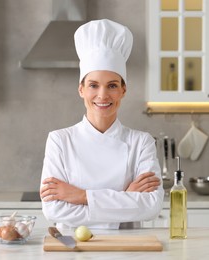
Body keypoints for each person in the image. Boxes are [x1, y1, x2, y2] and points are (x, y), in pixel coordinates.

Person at [39, 19, 164, 230]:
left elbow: (151, 207)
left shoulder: (141, 142)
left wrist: (80, 196)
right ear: (81, 90)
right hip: (74, 249)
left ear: (123, 90)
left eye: (112, 85)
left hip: (127, 250)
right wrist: (126, 199)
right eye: (93, 85)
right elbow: (53, 210)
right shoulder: (60, 140)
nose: (102, 95)